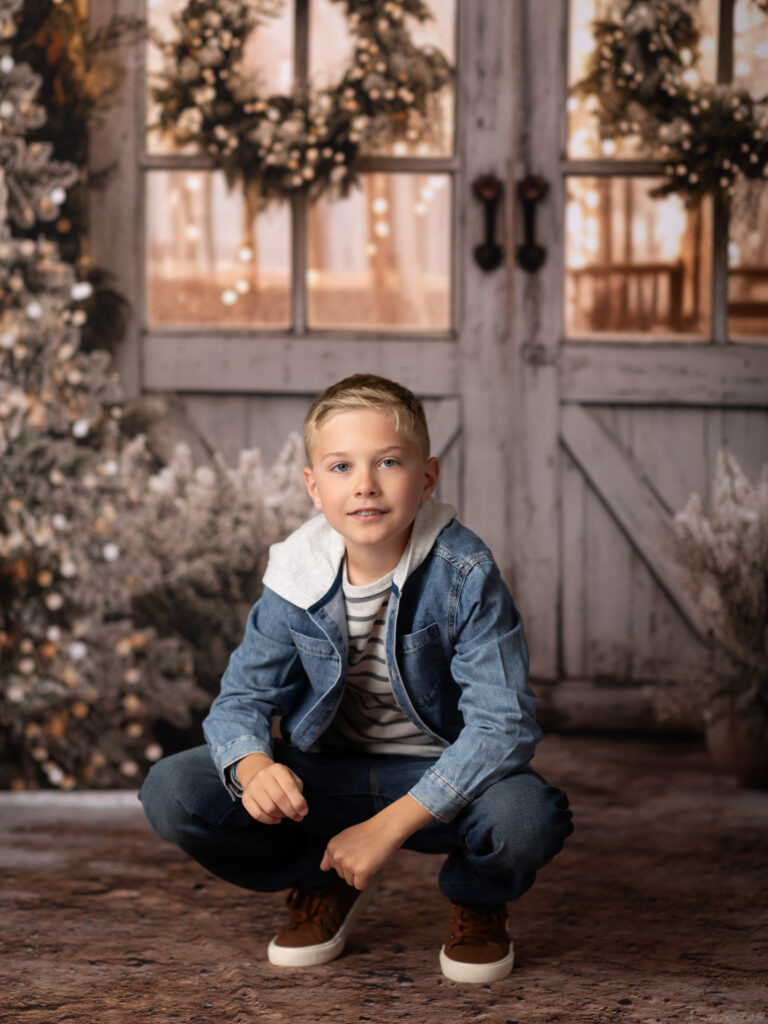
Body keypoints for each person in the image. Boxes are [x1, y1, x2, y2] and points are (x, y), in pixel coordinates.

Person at [140, 373, 573, 984]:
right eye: (341, 467)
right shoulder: (296, 575)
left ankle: (479, 897)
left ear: (427, 477)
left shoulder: (464, 573)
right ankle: (325, 878)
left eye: (388, 462)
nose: (365, 485)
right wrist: (253, 767)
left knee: (526, 819)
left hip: (444, 779)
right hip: (327, 777)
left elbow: (504, 726)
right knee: (172, 789)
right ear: (314, 487)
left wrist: (386, 828)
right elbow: (239, 701)